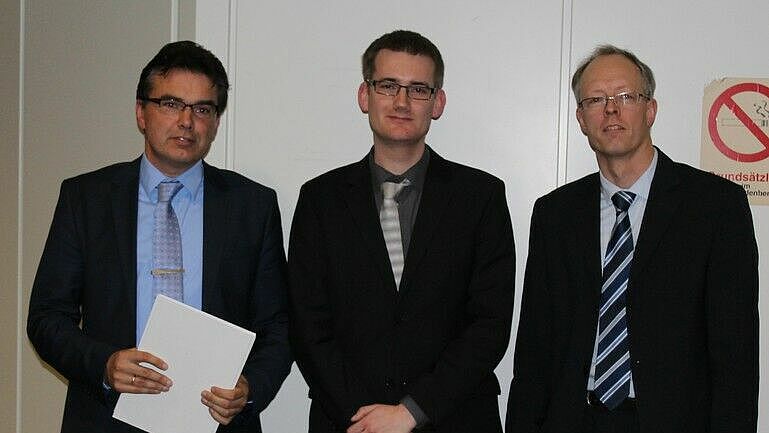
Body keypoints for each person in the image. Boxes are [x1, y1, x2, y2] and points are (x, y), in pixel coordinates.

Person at [27, 40, 291, 433]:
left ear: (216, 122)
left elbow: (279, 325)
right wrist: (104, 364)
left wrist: (249, 389)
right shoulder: (86, 199)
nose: (186, 121)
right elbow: (47, 318)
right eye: (170, 104)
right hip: (105, 418)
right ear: (141, 112)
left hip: (215, 421)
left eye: (202, 109)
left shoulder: (252, 206)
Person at [506, 44, 759, 433]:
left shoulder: (715, 206)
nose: (611, 109)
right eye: (596, 99)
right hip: (574, 419)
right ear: (581, 119)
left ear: (650, 109)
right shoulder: (555, 214)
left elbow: (736, 354)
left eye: (625, 96)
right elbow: (535, 348)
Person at [287, 29, 515, 433]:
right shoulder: (320, 200)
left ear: (438, 103)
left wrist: (411, 412)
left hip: (456, 419)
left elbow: (489, 325)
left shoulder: (481, 197)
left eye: (418, 89)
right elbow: (308, 326)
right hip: (348, 422)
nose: (402, 101)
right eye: (388, 85)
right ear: (365, 95)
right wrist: (366, 418)